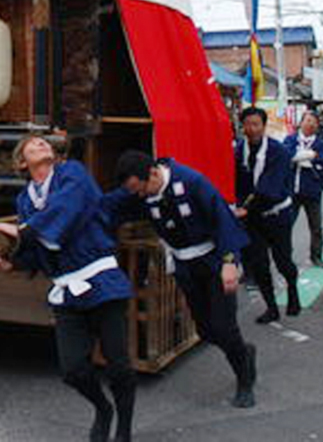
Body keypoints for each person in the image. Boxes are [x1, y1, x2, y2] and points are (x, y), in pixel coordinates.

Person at [0, 136, 135, 442]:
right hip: (66, 288)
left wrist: (23, 231)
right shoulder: (25, 201)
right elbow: (36, 249)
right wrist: (12, 262)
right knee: (73, 370)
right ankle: (102, 408)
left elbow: (65, 208)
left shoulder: (73, 174)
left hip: (101, 279)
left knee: (118, 364)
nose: (41, 144)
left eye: (44, 142)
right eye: (32, 145)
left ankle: (124, 427)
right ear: (21, 163)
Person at [107, 150, 257, 408]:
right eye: (134, 192)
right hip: (185, 266)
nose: (139, 196)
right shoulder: (141, 189)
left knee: (223, 326)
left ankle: (245, 379)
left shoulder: (192, 182)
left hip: (213, 262)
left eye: (140, 189)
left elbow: (223, 222)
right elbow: (109, 203)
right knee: (205, 330)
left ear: (153, 172)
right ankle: (243, 351)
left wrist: (230, 263)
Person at [234, 106, 301, 323]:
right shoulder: (238, 151)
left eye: (255, 124)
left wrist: (245, 207)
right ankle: (271, 307)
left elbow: (268, 189)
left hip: (277, 214)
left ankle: (292, 290)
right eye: (247, 124)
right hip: (252, 218)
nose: (251, 129)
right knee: (259, 264)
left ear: (264, 126)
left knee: (283, 262)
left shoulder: (278, 152)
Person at [284, 110, 323, 268]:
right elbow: (287, 155)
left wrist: (308, 156)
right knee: (286, 225)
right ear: (301, 122)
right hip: (293, 189)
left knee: (316, 226)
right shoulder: (291, 139)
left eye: (314, 121)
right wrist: (308, 155)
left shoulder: (320, 142)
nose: (310, 123)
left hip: (312, 190)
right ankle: (285, 256)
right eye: (308, 120)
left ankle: (316, 256)